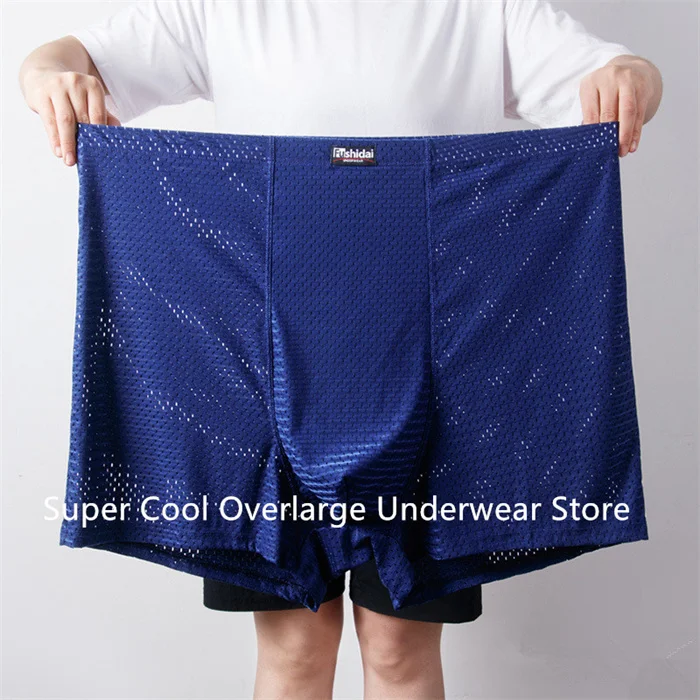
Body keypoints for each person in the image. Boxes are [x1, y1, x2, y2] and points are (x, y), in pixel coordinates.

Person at [19, 2, 662, 699]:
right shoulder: (221, 7)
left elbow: (622, 74)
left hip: (436, 359)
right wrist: (51, 76)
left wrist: (631, 75)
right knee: (294, 649)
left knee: (399, 649)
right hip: (257, 363)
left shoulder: (484, 8)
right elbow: (58, 59)